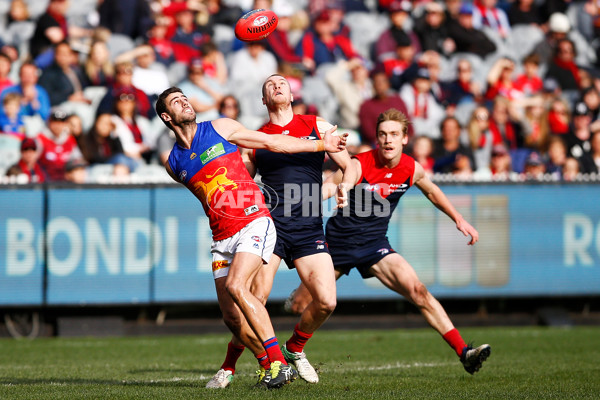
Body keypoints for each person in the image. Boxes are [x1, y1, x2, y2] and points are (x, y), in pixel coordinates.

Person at [155, 86, 347, 389]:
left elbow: (272, 142)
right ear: (167, 116)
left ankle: (280, 362)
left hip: (254, 222)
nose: (185, 103)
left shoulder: (220, 127)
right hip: (221, 237)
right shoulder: (173, 164)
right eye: (177, 102)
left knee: (237, 286)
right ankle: (267, 363)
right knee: (232, 318)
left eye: (185, 98)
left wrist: (321, 145)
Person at [286, 108, 491, 376]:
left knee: (419, 291)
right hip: (336, 246)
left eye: (394, 134)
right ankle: (282, 345)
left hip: (375, 246)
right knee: (298, 306)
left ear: (405, 138)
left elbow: (431, 190)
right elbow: (329, 185)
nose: (388, 140)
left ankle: (464, 352)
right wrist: (323, 196)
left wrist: (459, 219)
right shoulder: (359, 164)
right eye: (382, 134)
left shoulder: (410, 168)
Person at [206, 74, 357, 388]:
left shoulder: (316, 124)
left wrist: (345, 186)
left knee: (327, 301)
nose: (276, 86)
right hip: (271, 227)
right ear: (263, 100)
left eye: (282, 83)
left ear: (292, 94)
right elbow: (242, 179)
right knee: (253, 300)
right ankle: (229, 366)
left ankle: (295, 347)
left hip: (308, 227)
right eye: (269, 85)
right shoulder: (256, 137)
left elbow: (351, 164)